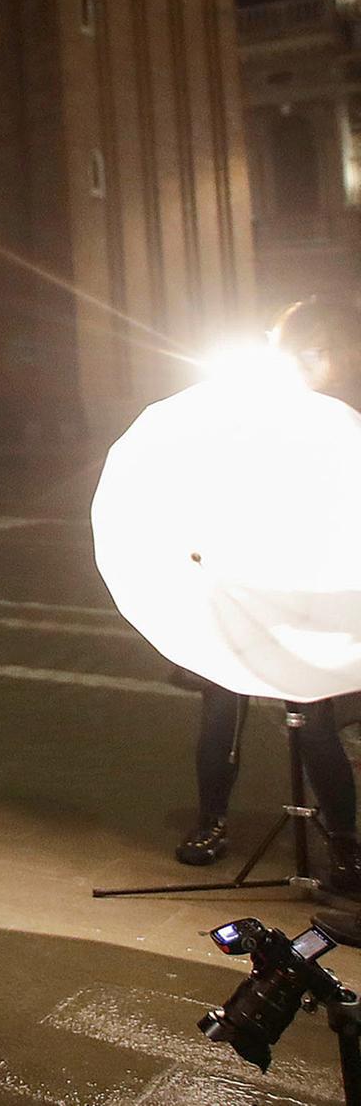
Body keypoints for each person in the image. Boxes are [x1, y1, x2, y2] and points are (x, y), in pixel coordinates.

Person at [178, 297, 361, 892]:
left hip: (306, 586)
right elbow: (207, 484)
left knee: (313, 719)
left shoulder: (339, 419)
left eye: (316, 352)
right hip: (240, 583)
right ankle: (212, 822)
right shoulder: (244, 414)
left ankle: (343, 844)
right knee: (223, 709)